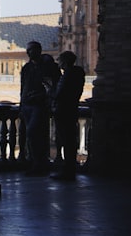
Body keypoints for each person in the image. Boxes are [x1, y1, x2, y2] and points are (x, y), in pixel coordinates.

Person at [19, 41, 55, 176]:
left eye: (32, 50)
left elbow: (51, 87)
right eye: (28, 50)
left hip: (39, 105)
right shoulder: (27, 68)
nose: (29, 53)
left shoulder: (46, 68)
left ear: (39, 51)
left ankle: (39, 163)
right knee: (30, 135)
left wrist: (40, 95)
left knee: (33, 133)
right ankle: (35, 162)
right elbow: (22, 88)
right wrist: (21, 105)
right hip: (27, 105)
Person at [50, 50, 85, 181]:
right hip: (72, 110)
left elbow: (58, 94)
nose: (58, 63)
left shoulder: (67, 76)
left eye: (59, 60)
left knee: (65, 140)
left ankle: (67, 170)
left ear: (64, 62)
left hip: (63, 111)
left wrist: (49, 89)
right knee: (70, 140)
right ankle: (69, 168)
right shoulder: (78, 74)